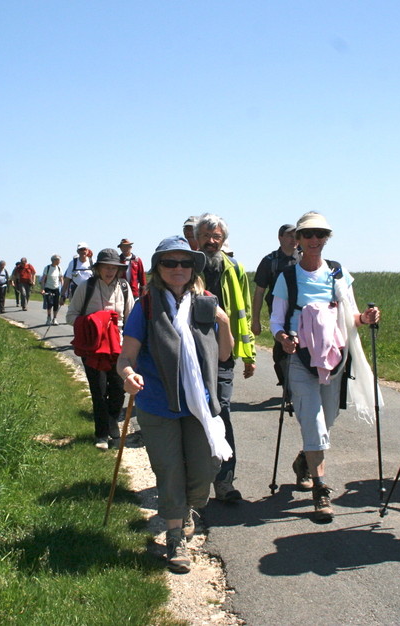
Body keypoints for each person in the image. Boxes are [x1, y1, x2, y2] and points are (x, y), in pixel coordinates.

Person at [117, 236, 234, 573]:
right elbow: (127, 356)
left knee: (204, 470)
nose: (178, 269)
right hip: (157, 403)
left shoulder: (206, 303)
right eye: (170, 263)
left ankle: (186, 510)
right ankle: (174, 537)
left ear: (194, 267)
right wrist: (128, 375)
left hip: (200, 405)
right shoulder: (148, 306)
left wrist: (223, 323)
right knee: (169, 470)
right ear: (159, 268)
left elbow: (224, 355)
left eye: (185, 263)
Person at [270, 211, 380, 522]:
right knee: (314, 422)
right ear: (298, 240)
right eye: (308, 235)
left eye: (321, 234)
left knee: (327, 420)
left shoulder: (338, 273)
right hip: (300, 359)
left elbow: (353, 317)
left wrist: (367, 319)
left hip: (334, 360)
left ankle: (305, 459)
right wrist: (282, 338)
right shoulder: (288, 277)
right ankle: (321, 489)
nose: (315, 240)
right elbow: (277, 321)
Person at [196, 213, 256, 503]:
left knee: (222, 412)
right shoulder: (185, 267)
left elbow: (243, 312)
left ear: (223, 240)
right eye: (206, 236)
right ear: (196, 238)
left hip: (224, 354)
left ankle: (224, 480)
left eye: (216, 236)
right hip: (191, 355)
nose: (211, 241)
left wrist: (249, 354)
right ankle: (194, 484)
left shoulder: (234, 269)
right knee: (194, 416)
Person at [67, 248, 134, 450]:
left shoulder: (124, 287)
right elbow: (71, 316)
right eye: (106, 267)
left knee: (117, 392)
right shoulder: (86, 287)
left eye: (114, 268)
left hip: (118, 349)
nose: (110, 271)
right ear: (98, 268)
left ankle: (112, 421)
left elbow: (131, 319)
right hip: (92, 349)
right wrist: (93, 322)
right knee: (98, 391)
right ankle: (102, 435)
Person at [252, 223, 301, 386]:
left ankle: (297, 387)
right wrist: (256, 321)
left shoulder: (304, 259)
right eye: (289, 235)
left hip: (302, 314)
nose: (293, 239)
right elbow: (259, 292)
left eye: (296, 235)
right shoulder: (269, 262)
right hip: (278, 314)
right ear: (280, 237)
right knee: (281, 350)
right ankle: (286, 383)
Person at [38, 255, 63, 325]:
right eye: (58, 260)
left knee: (56, 304)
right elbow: (43, 279)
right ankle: (48, 317)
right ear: (54, 260)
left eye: (59, 260)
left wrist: (63, 288)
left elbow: (61, 279)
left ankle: (54, 318)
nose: (59, 261)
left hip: (56, 288)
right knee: (49, 303)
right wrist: (42, 289)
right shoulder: (47, 268)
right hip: (48, 288)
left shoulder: (59, 268)